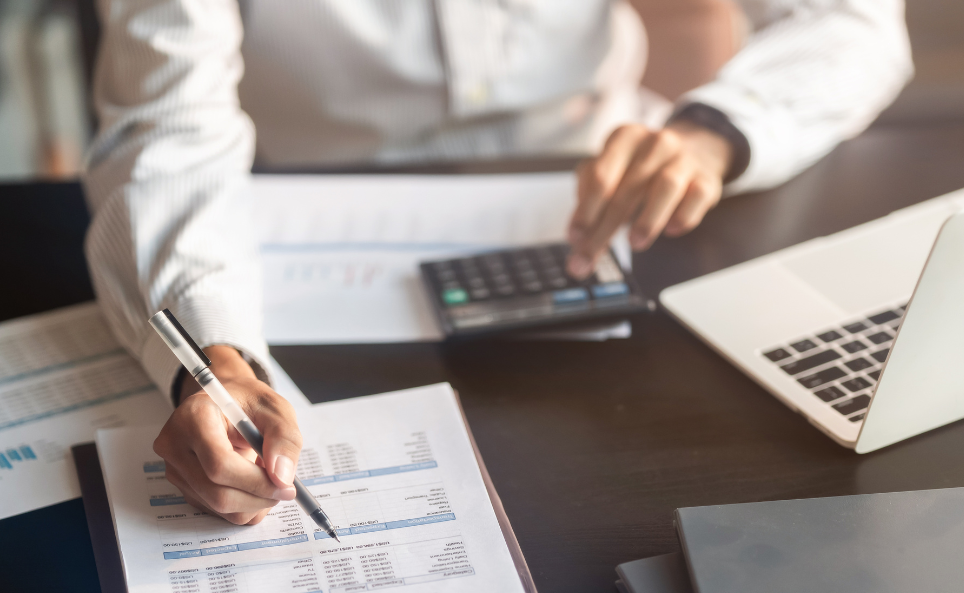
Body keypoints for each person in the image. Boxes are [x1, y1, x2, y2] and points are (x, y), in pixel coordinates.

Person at [83, 0, 912, 525]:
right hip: (293, 235)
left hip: (604, 209)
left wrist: (715, 132)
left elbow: (852, 21)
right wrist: (213, 355)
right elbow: (165, 125)